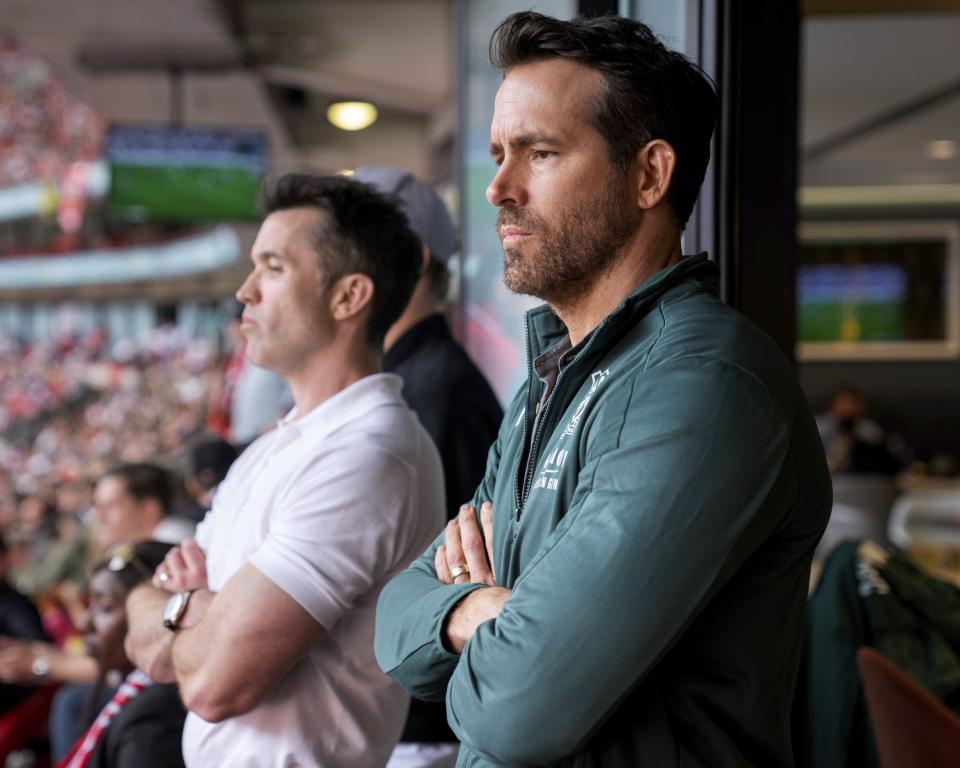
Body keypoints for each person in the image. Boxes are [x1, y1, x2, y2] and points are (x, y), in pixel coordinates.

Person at [375, 12, 832, 768]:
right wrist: (477, 614)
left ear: (650, 174)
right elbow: (395, 627)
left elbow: (519, 708)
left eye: (540, 153)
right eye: (497, 156)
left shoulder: (707, 387)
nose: (497, 188)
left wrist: (458, 620)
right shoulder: (554, 376)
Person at [125, 174, 446, 768]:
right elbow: (138, 629)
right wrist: (194, 610)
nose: (245, 292)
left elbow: (214, 686)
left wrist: (182, 607)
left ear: (348, 296)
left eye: (272, 268)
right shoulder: (279, 442)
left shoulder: (368, 455)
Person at [352, 165, 504, 768]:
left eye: (350, 239)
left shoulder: (441, 388)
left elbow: (479, 572)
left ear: (409, 259)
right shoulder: (413, 378)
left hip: (425, 731)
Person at [59, 540, 185, 768]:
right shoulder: (136, 697)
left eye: (105, 607)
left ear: (150, 618)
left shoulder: (150, 723)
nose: (85, 622)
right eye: (90, 604)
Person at [93, 464, 195, 549]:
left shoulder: (172, 542)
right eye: (98, 507)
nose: (100, 517)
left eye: (110, 506)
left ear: (148, 509)